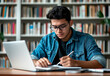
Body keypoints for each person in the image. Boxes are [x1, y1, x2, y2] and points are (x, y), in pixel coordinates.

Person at [31, 6, 106, 68]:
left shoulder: (86, 39)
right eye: (54, 27)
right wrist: (37, 62)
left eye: (62, 26)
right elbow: (32, 58)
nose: (58, 31)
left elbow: (101, 62)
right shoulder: (46, 40)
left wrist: (76, 63)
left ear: (70, 23)